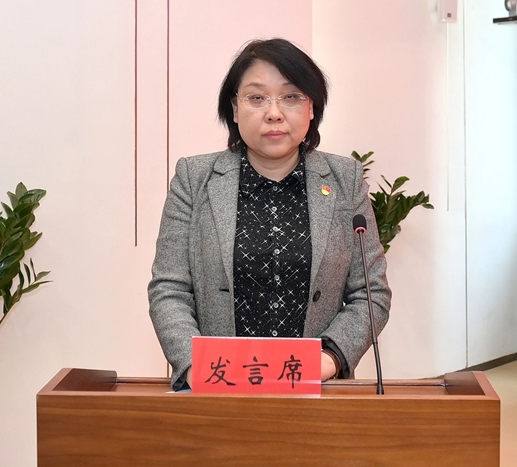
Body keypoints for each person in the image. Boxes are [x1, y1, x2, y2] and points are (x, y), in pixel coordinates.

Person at [148, 38, 391, 390]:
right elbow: (169, 289)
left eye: (291, 96)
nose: (274, 112)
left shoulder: (345, 180)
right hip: (216, 389)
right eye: (257, 97)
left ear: (311, 107)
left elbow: (371, 293)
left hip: (315, 388)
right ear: (234, 108)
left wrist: (327, 360)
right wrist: (196, 367)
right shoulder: (194, 178)